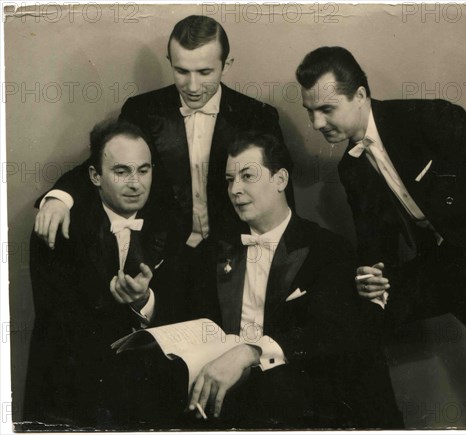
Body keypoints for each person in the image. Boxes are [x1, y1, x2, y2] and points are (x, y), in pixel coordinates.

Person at [296, 46, 466, 428]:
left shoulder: (427, 119)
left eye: (326, 109)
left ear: (360, 96)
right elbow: (375, 242)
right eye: (309, 111)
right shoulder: (351, 169)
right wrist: (373, 278)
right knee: (350, 320)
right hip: (445, 267)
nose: (316, 123)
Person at [180, 131, 402, 429]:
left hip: (299, 397)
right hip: (226, 395)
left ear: (280, 180)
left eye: (247, 176)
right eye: (230, 180)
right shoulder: (212, 252)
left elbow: (330, 333)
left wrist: (250, 352)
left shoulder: (328, 249)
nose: (235, 189)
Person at [33, 15, 291, 253]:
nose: (192, 86)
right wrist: (59, 199)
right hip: (162, 256)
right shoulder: (142, 111)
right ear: (170, 62)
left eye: (204, 72)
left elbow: (282, 196)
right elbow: (106, 166)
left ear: (226, 65)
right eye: (181, 71)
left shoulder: (259, 116)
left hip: (237, 254)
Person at [23, 119, 180, 428]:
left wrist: (144, 300)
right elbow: (57, 322)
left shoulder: (169, 224)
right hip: (72, 393)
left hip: (147, 394)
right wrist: (112, 298)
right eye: (121, 171)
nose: (136, 184)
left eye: (143, 170)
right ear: (94, 176)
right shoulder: (59, 228)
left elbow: (181, 310)